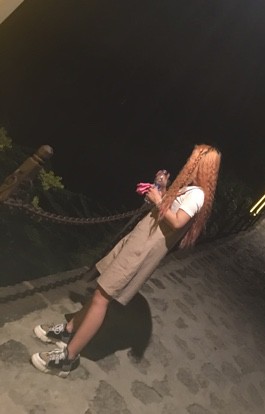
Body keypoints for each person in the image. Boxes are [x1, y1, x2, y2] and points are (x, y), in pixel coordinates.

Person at [31, 144, 221, 377]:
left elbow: (178, 221)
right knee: (100, 291)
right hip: (139, 240)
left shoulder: (197, 194)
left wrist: (158, 200)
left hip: (143, 248)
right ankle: (69, 330)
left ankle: (68, 358)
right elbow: (170, 212)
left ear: (202, 165)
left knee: (101, 298)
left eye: (193, 160)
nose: (188, 163)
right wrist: (162, 190)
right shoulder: (189, 190)